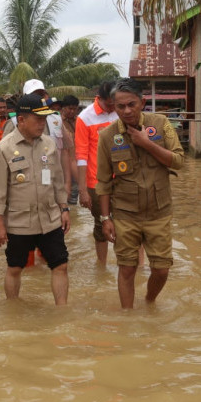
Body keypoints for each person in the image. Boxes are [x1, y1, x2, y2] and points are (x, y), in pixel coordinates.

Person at [95, 78, 184, 308]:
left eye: (131, 104)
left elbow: (178, 161)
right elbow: (103, 182)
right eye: (120, 106)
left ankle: (149, 301)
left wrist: (147, 144)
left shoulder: (161, 123)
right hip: (125, 214)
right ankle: (128, 317)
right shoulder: (107, 136)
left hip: (159, 212)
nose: (126, 110)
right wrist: (106, 219)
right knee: (127, 268)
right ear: (113, 107)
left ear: (142, 102)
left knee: (162, 269)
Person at [0, 93, 70, 304]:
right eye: (39, 119)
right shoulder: (3, 149)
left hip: (49, 218)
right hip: (19, 222)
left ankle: (62, 311)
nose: (43, 124)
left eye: (45, 119)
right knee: (15, 268)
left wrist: (64, 208)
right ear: (22, 120)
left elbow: (57, 180)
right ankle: (13, 309)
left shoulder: (49, 145)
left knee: (60, 265)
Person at [75, 80, 118, 267]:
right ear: (99, 98)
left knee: (131, 223)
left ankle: (137, 266)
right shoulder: (85, 118)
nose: (113, 107)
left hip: (123, 179)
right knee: (102, 224)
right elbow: (81, 156)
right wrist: (83, 191)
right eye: (109, 103)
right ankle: (102, 266)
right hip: (97, 182)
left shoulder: (121, 111)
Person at [61, 95, 80, 205]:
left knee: (74, 192)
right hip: (63, 160)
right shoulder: (57, 121)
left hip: (77, 159)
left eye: (75, 109)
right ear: (64, 108)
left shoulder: (79, 120)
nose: (72, 111)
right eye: (70, 108)